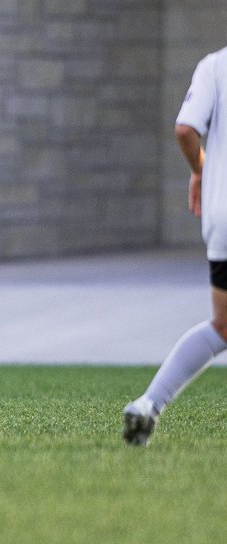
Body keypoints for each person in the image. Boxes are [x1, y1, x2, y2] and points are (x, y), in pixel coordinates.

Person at [123, 46, 227, 446]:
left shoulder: (214, 66)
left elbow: (185, 129)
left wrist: (202, 170)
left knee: (222, 324)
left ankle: (149, 403)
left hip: (222, 217)